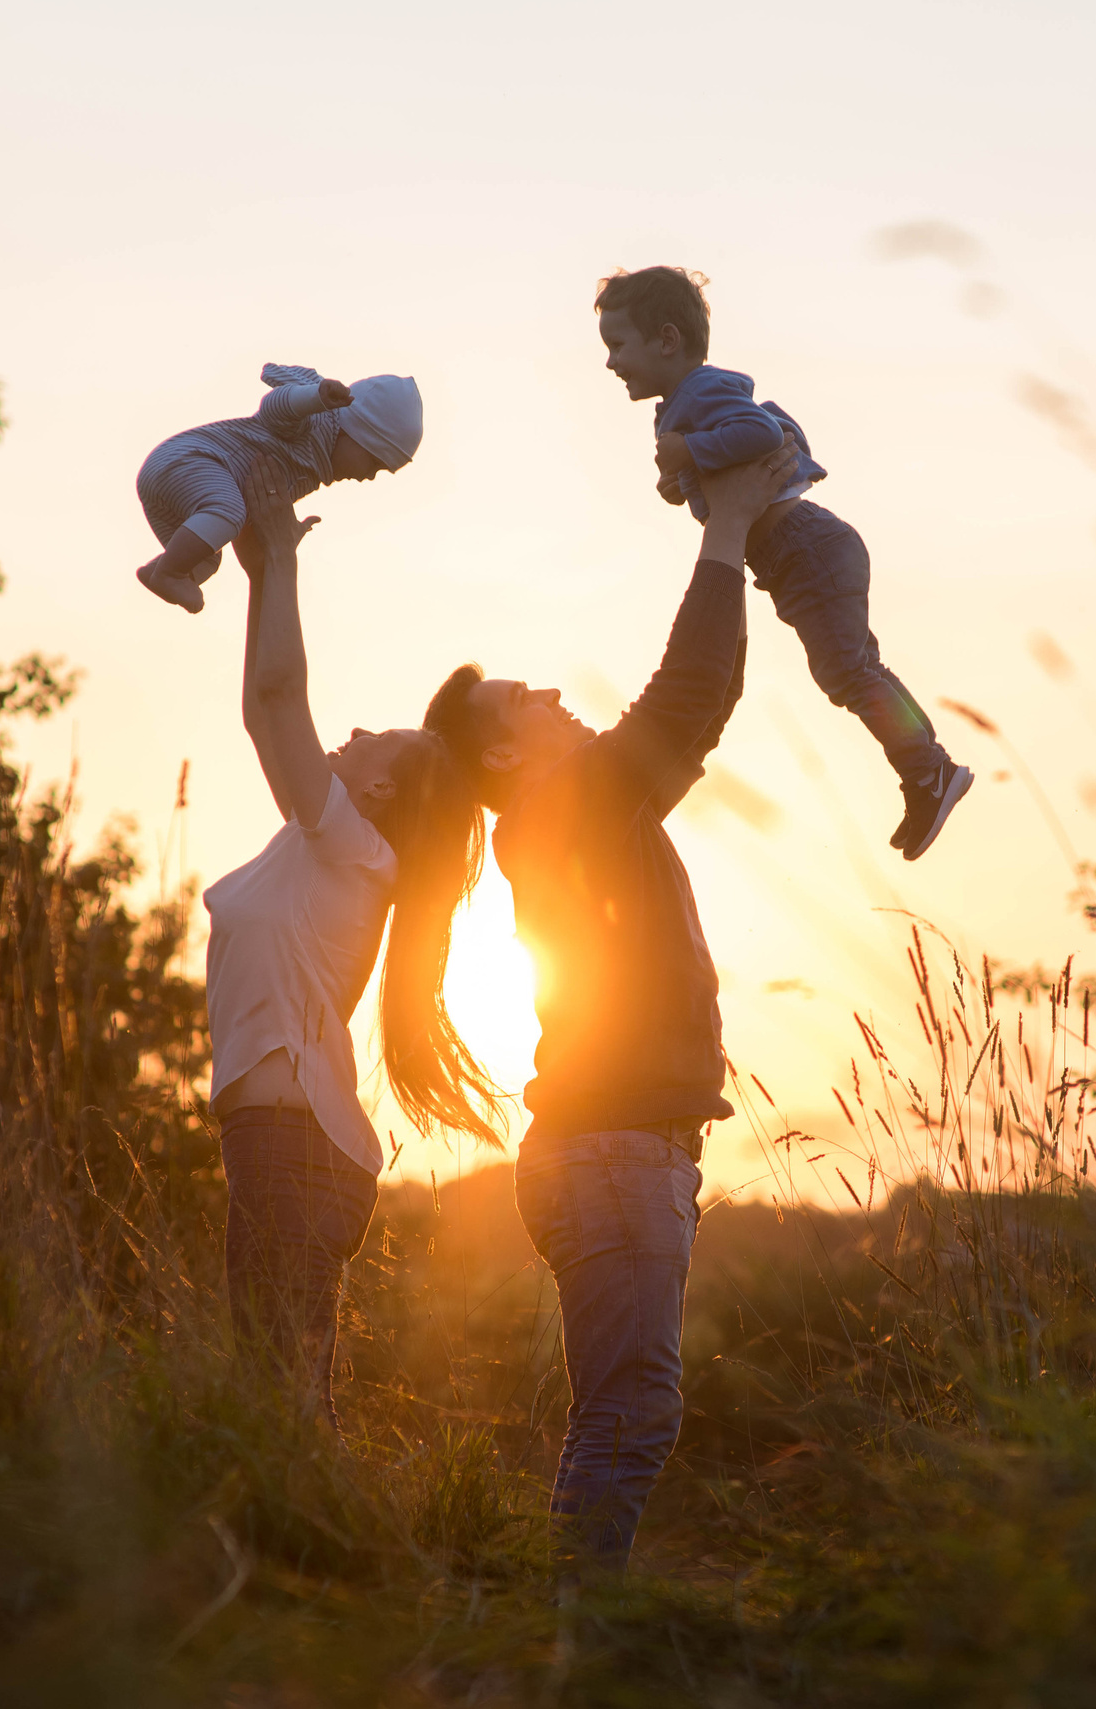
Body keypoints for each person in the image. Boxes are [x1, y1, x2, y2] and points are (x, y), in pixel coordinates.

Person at [423, 444, 800, 1572]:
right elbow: (690, 698)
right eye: (520, 698)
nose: (548, 692)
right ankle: (574, 1651)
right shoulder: (560, 808)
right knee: (631, 1416)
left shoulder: (584, 813)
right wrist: (726, 531)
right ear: (502, 750)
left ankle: (568, 1641)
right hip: (613, 1156)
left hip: (618, 1154)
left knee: (620, 1412)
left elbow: (693, 716)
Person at [202, 460, 499, 1432]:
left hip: (291, 1141)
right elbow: (271, 706)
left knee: (275, 1396)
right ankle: (316, 1548)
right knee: (280, 1392)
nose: (358, 728)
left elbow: (273, 700)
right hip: (283, 1139)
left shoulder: (352, 845)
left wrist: (273, 559)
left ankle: (311, 1552)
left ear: (374, 794)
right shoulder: (334, 850)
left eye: (377, 737)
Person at [594, 265, 973, 859]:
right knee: (856, 668)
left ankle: (928, 770)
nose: (611, 363)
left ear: (667, 340)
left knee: (845, 672)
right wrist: (680, 472)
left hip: (804, 548)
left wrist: (690, 449)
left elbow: (761, 433)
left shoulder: (703, 391)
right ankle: (927, 771)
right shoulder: (681, 404)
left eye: (618, 345)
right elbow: (711, 469)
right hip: (798, 556)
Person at [133, 365, 424, 613]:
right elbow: (275, 406)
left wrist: (279, 534)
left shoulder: (315, 465)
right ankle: (170, 573)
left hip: (181, 487)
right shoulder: (312, 426)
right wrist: (315, 398)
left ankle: (161, 570)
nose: (370, 476)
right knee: (228, 512)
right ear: (355, 433)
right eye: (374, 461)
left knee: (208, 555)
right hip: (189, 460)